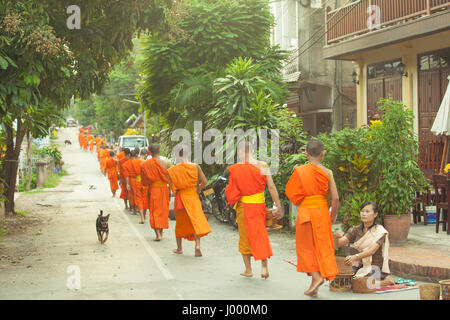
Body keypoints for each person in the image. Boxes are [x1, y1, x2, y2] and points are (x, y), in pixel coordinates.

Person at [285, 139, 339, 297]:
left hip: (307, 212)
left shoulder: (300, 171)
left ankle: (316, 277)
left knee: (305, 248)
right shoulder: (328, 172)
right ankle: (314, 284)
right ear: (323, 154)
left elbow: (291, 193)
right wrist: (332, 216)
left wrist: (304, 198)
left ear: (306, 154)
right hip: (322, 212)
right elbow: (335, 198)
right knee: (322, 247)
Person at [225, 140, 282, 280]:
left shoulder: (235, 168)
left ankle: (248, 270)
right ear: (252, 151)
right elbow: (271, 187)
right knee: (260, 234)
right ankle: (264, 267)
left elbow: (231, 191)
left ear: (239, 152)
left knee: (244, 237)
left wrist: (232, 199)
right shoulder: (263, 165)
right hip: (259, 206)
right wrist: (278, 205)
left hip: (244, 207)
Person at [333, 202, 394, 287]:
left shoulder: (380, 231)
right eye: (362, 211)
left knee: (363, 284)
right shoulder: (356, 229)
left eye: (367, 211)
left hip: (374, 266)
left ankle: (384, 282)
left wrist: (355, 257)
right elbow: (339, 244)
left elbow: (371, 251)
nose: (364, 214)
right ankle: (367, 281)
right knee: (344, 281)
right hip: (360, 266)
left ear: (375, 214)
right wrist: (336, 237)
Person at [167, 145, 211, 257]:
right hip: (193, 197)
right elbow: (205, 181)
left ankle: (179, 248)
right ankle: (197, 245)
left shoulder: (173, 169)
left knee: (180, 224)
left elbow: (172, 185)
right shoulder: (195, 166)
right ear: (189, 153)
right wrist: (197, 189)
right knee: (195, 222)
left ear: (178, 155)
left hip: (181, 198)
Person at [140, 144, 171, 241]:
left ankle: (158, 234)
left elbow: (144, 181)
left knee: (154, 211)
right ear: (160, 151)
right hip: (164, 189)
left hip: (153, 190)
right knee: (163, 211)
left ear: (149, 152)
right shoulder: (166, 163)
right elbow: (169, 178)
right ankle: (160, 232)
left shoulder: (145, 164)